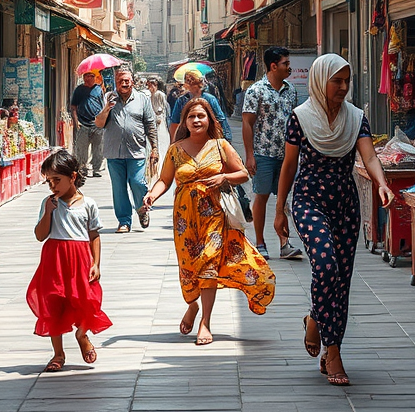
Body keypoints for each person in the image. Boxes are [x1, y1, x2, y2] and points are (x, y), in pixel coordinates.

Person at [274, 55, 394, 387]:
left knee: (342, 278)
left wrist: (382, 183)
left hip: (345, 205)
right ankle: (334, 350)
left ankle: (317, 319)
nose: (342, 87)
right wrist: (279, 209)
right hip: (309, 201)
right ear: (319, 80)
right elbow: (288, 165)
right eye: (336, 81)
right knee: (326, 267)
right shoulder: (300, 118)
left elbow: (368, 155)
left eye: (346, 81)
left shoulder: (356, 118)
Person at [143, 98, 275, 345]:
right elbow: (165, 179)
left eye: (201, 116)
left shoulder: (220, 146)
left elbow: (243, 173)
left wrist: (223, 176)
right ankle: (192, 306)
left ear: (209, 120)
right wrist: (152, 194)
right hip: (184, 219)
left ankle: (206, 321)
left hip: (214, 215)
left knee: (208, 265)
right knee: (189, 267)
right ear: (185, 122)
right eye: (191, 117)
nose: (196, 121)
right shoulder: (175, 149)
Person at [27, 150, 111, 372]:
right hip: (54, 259)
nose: (53, 186)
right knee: (53, 304)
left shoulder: (88, 204)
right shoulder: (50, 204)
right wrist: (47, 212)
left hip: (80, 259)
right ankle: (58, 354)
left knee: (86, 299)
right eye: (49, 182)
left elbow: (94, 235)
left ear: (72, 177)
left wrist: (96, 263)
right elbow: (40, 235)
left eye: (57, 180)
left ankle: (82, 334)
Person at [242, 46, 303, 261]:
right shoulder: (255, 91)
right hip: (263, 153)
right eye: (285, 63)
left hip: (286, 154)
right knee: (261, 196)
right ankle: (260, 242)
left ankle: (285, 243)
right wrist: (250, 155)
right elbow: (247, 123)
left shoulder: (291, 91)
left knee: (284, 199)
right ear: (273, 66)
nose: (289, 67)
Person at [96, 68, 159, 233]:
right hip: (113, 152)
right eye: (120, 81)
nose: (124, 84)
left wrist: (155, 149)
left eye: (127, 80)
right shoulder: (109, 98)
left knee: (138, 183)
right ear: (116, 82)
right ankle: (124, 221)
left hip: (136, 151)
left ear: (132, 81)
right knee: (119, 188)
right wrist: (106, 109)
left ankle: (141, 209)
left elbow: (150, 125)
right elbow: (99, 123)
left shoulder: (142, 99)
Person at [168, 70, 233, 143]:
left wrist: (226, 139)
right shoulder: (181, 100)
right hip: (187, 138)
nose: (188, 84)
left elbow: (221, 119)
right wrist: (173, 144)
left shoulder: (210, 99)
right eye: (187, 81)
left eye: (191, 82)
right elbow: (174, 123)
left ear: (198, 84)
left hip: (209, 138)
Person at [70, 71, 106, 177]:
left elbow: (102, 105)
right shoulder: (79, 90)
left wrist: (103, 121)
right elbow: (73, 107)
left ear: (94, 78)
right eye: (86, 76)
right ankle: (82, 168)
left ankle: (96, 169)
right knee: (81, 148)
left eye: (91, 76)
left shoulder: (98, 89)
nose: (89, 78)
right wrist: (76, 122)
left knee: (98, 148)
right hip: (83, 123)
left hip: (97, 124)